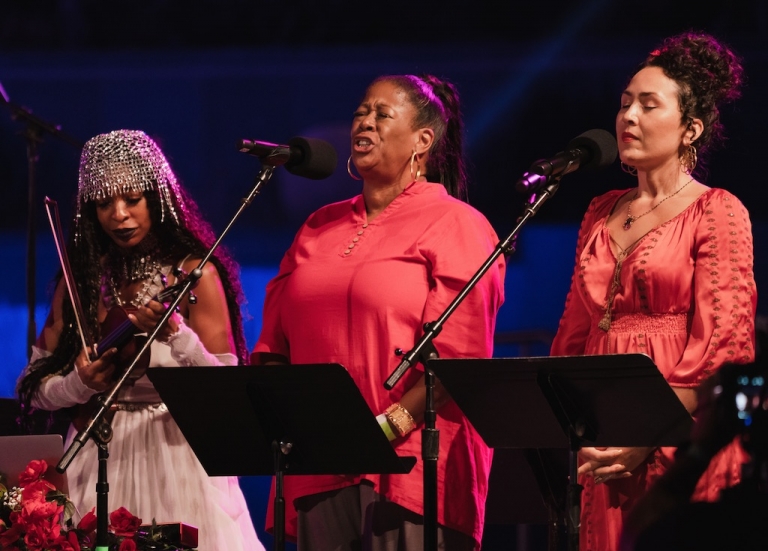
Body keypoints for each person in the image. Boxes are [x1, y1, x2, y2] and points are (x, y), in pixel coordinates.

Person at [252, 74, 506, 549]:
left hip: (410, 466)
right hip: (318, 462)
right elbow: (274, 346)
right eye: (360, 113)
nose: (364, 122)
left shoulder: (459, 226)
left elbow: (458, 357)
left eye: (382, 114)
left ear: (423, 140)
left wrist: (386, 428)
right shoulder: (317, 226)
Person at [550, 32, 756, 551]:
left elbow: (723, 345)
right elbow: (574, 332)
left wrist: (648, 432)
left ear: (691, 128)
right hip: (602, 441)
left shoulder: (717, 209)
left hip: (678, 434)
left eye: (647, 105)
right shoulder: (600, 210)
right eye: (623, 104)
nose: (628, 118)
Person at [16, 130, 265, 551]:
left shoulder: (194, 273)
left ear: (157, 197)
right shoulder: (82, 280)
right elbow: (33, 389)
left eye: (131, 198)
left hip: (179, 455)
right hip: (98, 455)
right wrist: (78, 385)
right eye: (104, 204)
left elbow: (228, 385)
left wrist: (179, 336)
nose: (119, 215)